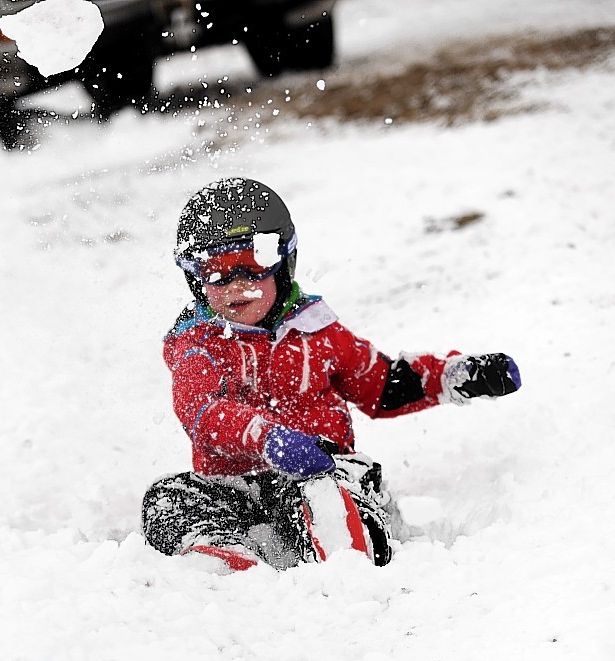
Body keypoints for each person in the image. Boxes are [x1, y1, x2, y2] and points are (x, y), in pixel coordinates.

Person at [142, 177, 522, 571]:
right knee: (167, 499)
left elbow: (382, 385)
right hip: (235, 485)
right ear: (195, 279)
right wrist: (268, 439)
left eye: (253, 265)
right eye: (216, 272)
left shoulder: (318, 330)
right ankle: (222, 557)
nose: (236, 285)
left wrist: (453, 376)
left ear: (283, 262)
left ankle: (345, 554)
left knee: (332, 492)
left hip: (321, 468)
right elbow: (200, 411)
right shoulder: (198, 343)